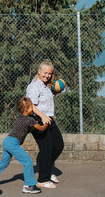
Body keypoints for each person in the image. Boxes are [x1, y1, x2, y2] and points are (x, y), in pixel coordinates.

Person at [0, 97, 48, 194]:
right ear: (26, 109)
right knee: (28, 161)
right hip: (13, 143)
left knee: (4, 162)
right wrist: (46, 123)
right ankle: (29, 185)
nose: (33, 109)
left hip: (7, 141)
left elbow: (27, 129)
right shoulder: (29, 120)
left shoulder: (20, 117)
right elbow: (41, 128)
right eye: (31, 107)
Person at [26, 59, 64, 189]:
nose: (47, 75)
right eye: (45, 73)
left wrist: (56, 92)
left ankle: (47, 168)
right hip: (37, 120)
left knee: (58, 145)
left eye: (49, 73)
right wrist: (42, 116)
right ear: (39, 71)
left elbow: (46, 101)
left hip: (48, 119)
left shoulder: (45, 85)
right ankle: (43, 179)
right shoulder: (34, 86)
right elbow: (30, 106)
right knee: (47, 148)